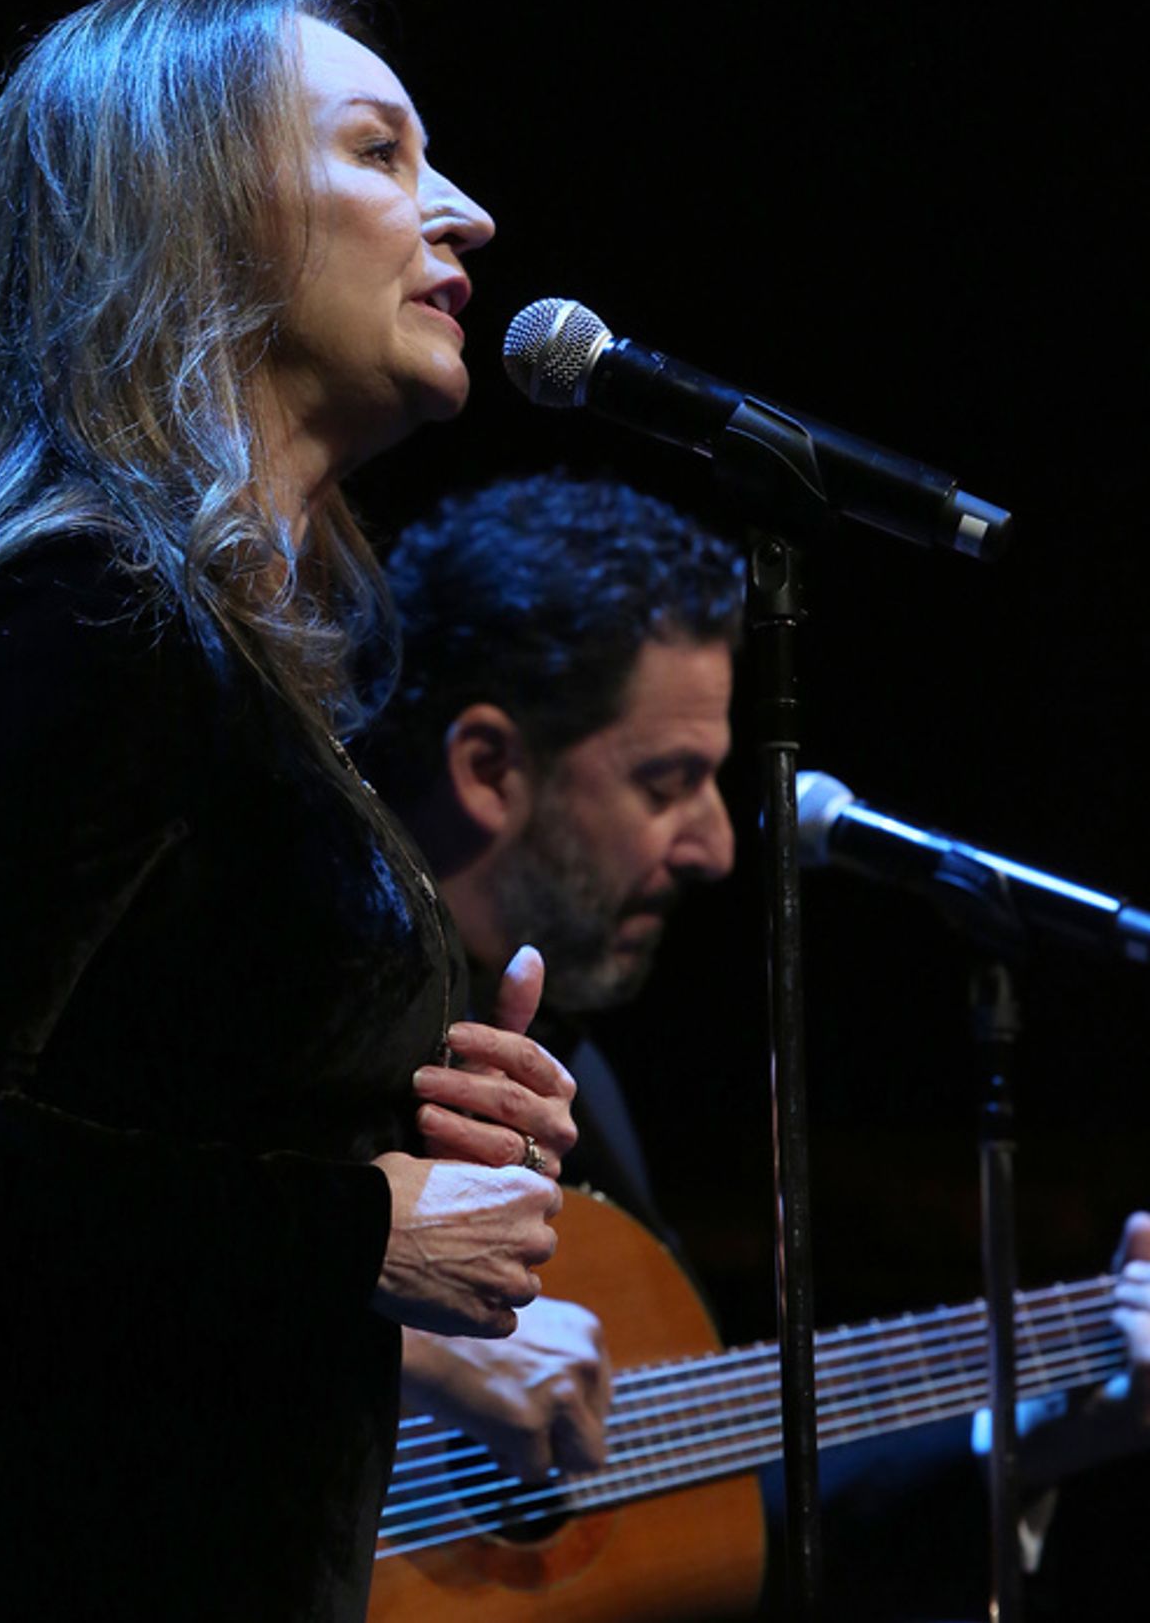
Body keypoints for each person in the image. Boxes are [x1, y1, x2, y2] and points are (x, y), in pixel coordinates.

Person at [0, 0, 578, 1623]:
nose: (470, 213)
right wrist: (362, 1220)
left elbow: (159, 1109)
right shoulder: (90, 613)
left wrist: (410, 1116)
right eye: (380, 150)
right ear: (195, 216)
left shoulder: (218, 649)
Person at [364, 470, 1150, 1618]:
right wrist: (411, 1361)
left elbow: (684, 1497)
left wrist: (1048, 1415)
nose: (718, 848)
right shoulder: (293, 1023)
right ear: (488, 768)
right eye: (665, 784)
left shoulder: (582, 1087)